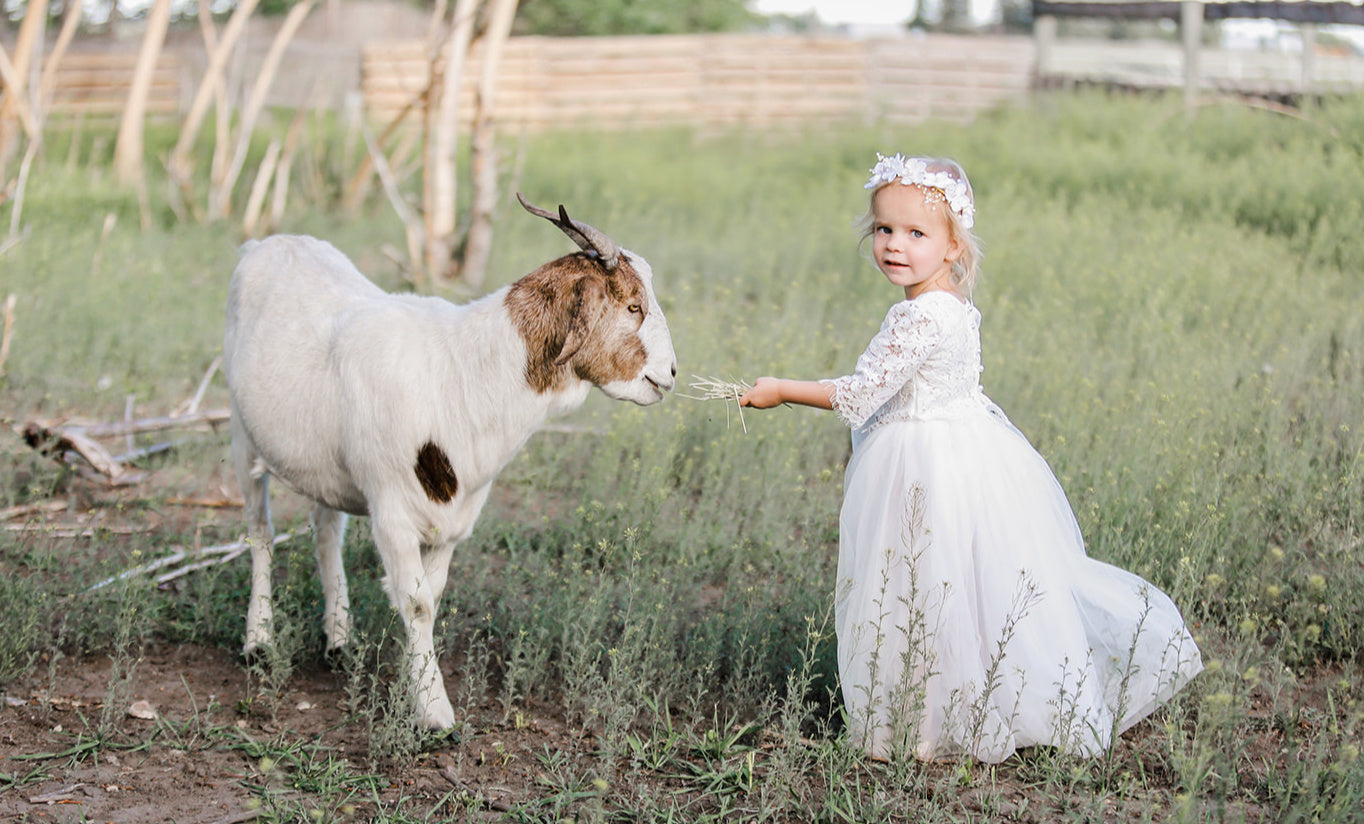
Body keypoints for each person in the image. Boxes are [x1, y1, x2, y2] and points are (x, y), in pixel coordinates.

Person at [738, 154, 1202, 763]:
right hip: (969, 451)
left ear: (954, 245)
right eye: (884, 230)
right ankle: (960, 705)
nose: (895, 245)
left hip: (925, 462)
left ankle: (917, 724)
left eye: (916, 233)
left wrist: (779, 389)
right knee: (961, 579)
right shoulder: (953, 305)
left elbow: (857, 394)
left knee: (915, 579)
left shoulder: (917, 317)